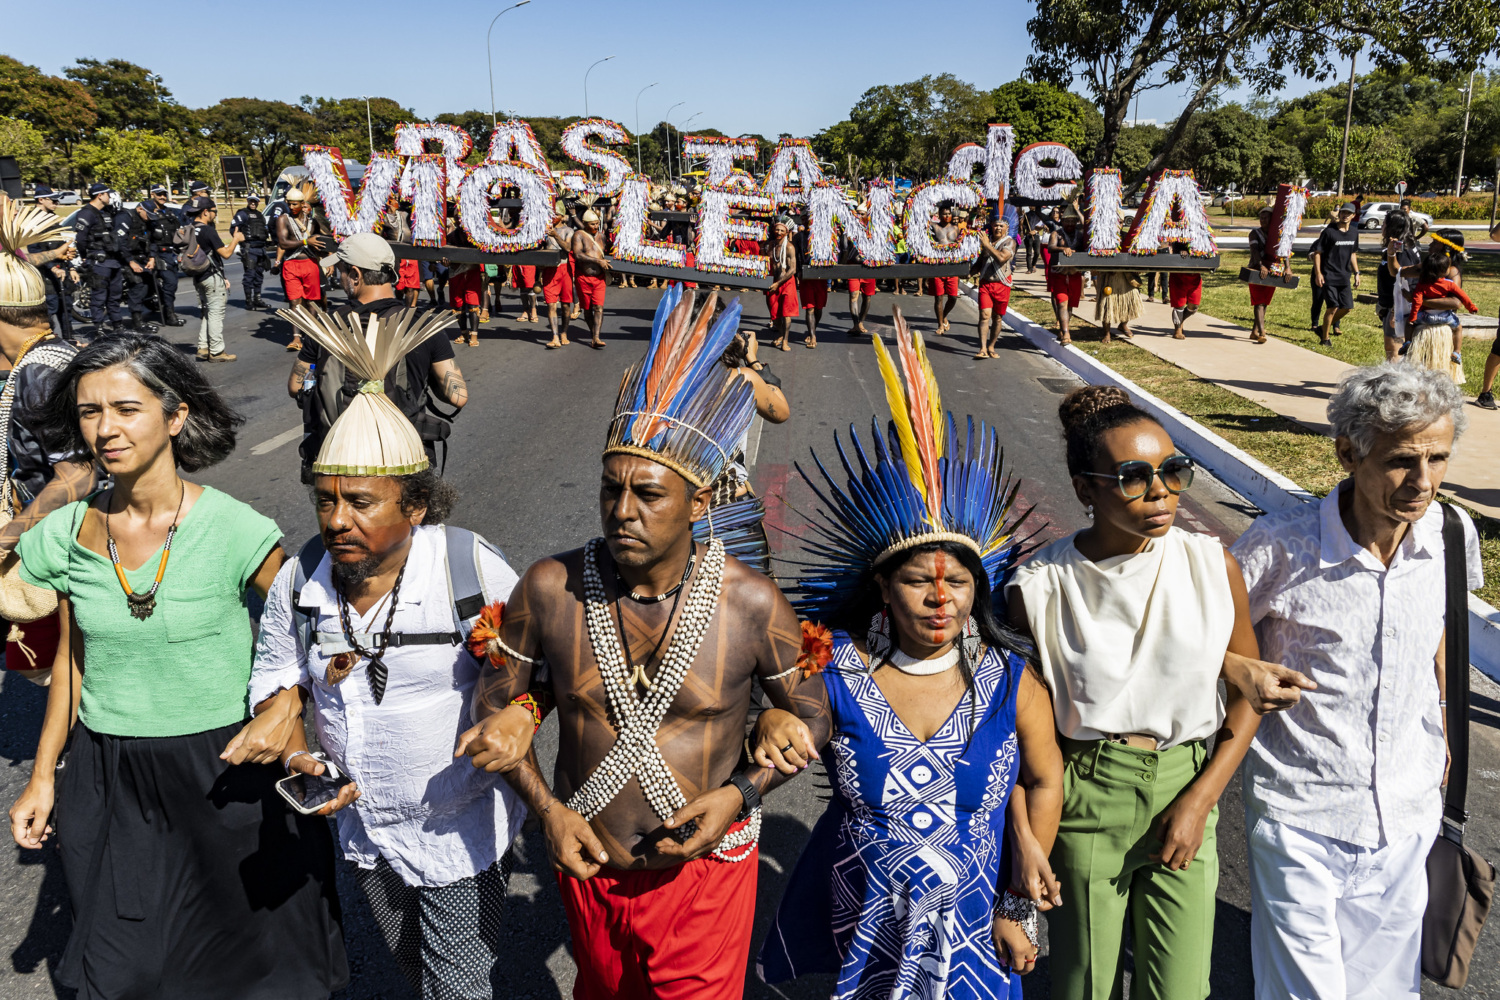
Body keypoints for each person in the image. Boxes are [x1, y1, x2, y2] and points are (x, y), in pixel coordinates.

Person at [463, 286, 831, 1000]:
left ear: (698, 504)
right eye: (611, 490)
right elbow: (500, 706)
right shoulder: (549, 587)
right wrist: (546, 800)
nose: (622, 511)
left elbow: (815, 715)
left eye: (649, 495)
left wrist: (745, 786)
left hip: (705, 877)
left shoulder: (751, 603)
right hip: (587, 864)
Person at [6, 334, 348, 998]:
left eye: (126, 408)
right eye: (89, 411)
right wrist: (43, 776)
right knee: (123, 969)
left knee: (249, 968)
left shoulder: (236, 530)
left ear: (176, 415)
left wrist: (287, 706)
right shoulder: (65, 534)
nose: (105, 428)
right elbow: (74, 665)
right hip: (110, 777)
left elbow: (312, 637)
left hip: (223, 774)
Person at [752, 313, 1062, 998]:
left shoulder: (1008, 682)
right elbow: (753, 707)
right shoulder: (831, 666)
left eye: (956, 582)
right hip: (865, 928)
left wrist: (1019, 904)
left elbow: (1042, 780)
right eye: (920, 581)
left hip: (980, 933)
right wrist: (767, 722)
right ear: (884, 591)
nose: (940, 598)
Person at [247, 303, 527, 999]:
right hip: (363, 833)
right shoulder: (300, 577)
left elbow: (540, 663)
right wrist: (294, 753)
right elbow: (275, 673)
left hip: (460, 829)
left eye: (362, 503)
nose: (338, 520)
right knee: (409, 966)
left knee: (456, 985)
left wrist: (520, 711)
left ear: (417, 505)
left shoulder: (469, 567)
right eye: (326, 500)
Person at [1008, 385, 1272, 1000]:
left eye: (1174, 472)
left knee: (1181, 989)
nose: (1161, 493)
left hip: (1187, 782)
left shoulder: (1212, 564)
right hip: (1085, 796)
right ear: (1085, 488)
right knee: (1085, 985)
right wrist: (1023, 835)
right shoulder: (1040, 587)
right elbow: (1017, 726)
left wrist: (1201, 801)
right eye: (1134, 477)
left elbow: (1248, 695)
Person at [1231, 363, 1478, 999]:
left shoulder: (1451, 534)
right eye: (1401, 461)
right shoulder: (1281, 546)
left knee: (1384, 990)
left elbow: (1442, 625)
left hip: (1407, 805)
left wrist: (1446, 721)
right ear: (1348, 452)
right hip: (1299, 810)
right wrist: (1237, 666)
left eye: (1438, 459)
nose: (1422, 483)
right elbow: (1204, 633)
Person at [0, 197, 97, 684]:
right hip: (60, 530)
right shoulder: (48, 352)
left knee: (64, 662)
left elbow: (79, 474)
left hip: (71, 537)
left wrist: (11, 535)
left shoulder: (40, 370)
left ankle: (79, 751)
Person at [289, 233, 467, 483]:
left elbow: (296, 386)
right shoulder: (422, 326)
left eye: (340, 270)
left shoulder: (327, 326)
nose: (339, 278)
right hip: (405, 461)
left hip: (341, 463)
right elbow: (457, 396)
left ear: (355, 275)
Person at [184, 197, 243, 363]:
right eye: (214, 212)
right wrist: (236, 239)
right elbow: (225, 253)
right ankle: (217, 351)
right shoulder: (208, 230)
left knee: (207, 313)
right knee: (216, 313)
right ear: (205, 212)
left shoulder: (189, 228)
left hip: (198, 276)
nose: (215, 215)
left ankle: (203, 348)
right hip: (211, 275)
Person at [1405, 250, 1479, 383]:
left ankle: (1407, 342)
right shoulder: (1449, 283)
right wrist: (1471, 307)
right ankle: (1457, 351)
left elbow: (1416, 301)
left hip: (1425, 317)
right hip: (1445, 317)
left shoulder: (1422, 283)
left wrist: (1413, 317)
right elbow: (1462, 297)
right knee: (1458, 328)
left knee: (1409, 323)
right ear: (1444, 270)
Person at [276, 186, 335, 351]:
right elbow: (283, 242)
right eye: (290, 204)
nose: (292, 207)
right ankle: (296, 337)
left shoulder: (312, 222)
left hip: (310, 263)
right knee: (294, 301)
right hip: (291, 264)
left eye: (295, 204)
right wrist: (305, 242)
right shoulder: (283, 219)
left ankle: (311, 334)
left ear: (302, 204)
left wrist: (329, 260)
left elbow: (322, 242)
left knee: (312, 300)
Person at [24, 186, 78, 344]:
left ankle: (69, 341)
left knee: (65, 309)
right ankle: (48, 344)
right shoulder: (32, 221)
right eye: (52, 199)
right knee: (49, 312)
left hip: (62, 271)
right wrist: (52, 268)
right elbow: (34, 252)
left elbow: (63, 246)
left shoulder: (53, 219)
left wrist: (71, 267)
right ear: (41, 200)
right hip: (45, 274)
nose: (56, 202)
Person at [72, 184, 123, 340]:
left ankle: (117, 326)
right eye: (107, 194)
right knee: (99, 297)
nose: (109, 197)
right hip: (99, 262)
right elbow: (80, 239)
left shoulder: (104, 213)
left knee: (115, 296)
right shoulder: (86, 213)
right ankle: (99, 328)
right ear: (100, 195)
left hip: (113, 261)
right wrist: (85, 256)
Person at [1309, 202, 1360, 346]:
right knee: (1332, 307)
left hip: (1344, 276)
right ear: (1339, 213)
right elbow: (1317, 253)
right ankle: (1325, 339)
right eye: (1343, 212)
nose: (1345, 215)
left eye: (1348, 213)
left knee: (1347, 307)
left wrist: (1357, 272)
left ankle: (1321, 328)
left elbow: (1353, 254)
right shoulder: (1329, 232)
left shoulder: (1354, 233)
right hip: (1329, 275)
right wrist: (1318, 273)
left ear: (1353, 216)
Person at [111, 197, 161, 335]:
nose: (149, 219)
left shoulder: (148, 220)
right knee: (137, 285)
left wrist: (152, 257)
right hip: (126, 258)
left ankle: (139, 315)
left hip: (143, 258)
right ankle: (137, 322)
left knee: (145, 286)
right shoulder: (126, 217)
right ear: (140, 209)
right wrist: (130, 261)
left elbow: (153, 239)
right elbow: (120, 241)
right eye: (148, 215)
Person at [975, 215, 1016, 358]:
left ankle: (991, 346)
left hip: (1002, 283)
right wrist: (968, 272)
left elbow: (1001, 258)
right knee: (984, 315)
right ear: (991, 226)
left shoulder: (1010, 242)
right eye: (995, 225)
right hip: (986, 283)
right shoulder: (987, 240)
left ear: (1007, 228)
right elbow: (981, 260)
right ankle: (982, 348)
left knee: (997, 318)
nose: (998, 228)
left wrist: (987, 245)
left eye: (1001, 226)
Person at [145, 185, 186, 328]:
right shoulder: (149, 212)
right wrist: (151, 255)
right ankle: (169, 314)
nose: (162, 196)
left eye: (164, 194)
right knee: (170, 283)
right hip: (157, 253)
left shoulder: (169, 212)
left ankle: (166, 307)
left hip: (171, 252)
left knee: (172, 284)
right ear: (152, 195)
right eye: (159, 194)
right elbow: (148, 236)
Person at [570, 210, 610, 349]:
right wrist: (598, 261)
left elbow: (608, 252)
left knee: (598, 307)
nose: (595, 226)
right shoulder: (579, 235)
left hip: (599, 279)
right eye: (593, 224)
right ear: (586, 224)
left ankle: (596, 337)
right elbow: (578, 255)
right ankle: (593, 334)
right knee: (587, 309)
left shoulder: (602, 236)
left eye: (597, 223)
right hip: (583, 278)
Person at [1049, 208, 1088, 345]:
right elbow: (1051, 247)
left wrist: (1078, 209)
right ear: (1062, 221)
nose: (1070, 224)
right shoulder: (1056, 234)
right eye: (1067, 221)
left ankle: (1063, 328)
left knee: (1070, 305)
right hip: (1060, 274)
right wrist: (1063, 249)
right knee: (1062, 303)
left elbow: (1086, 224)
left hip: (1075, 275)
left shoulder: (1080, 234)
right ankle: (1066, 333)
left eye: (1073, 221)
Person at [231, 193, 272, 310]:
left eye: (255, 201)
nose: (253, 203)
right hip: (250, 250)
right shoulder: (242, 214)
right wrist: (239, 239)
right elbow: (233, 229)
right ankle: (248, 301)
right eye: (251, 201)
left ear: (258, 202)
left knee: (259, 275)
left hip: (261, 249)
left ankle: (257, 299)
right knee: (250, 276)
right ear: (247, 201)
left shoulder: (260, 215)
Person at [765, 216, 800, 351]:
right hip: (773, 282)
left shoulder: (790, 247)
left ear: (786, 232)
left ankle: (785, 341)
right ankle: (780, 334)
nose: (778, 232)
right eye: (777, 230)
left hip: (786, 282)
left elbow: (792, 269)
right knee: (774, 313)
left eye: (781, 230)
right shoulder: (771, 245)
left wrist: (779, 283)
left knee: (786, 314)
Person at [542, 211, 575, 349]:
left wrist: (555, 236)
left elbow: (568, 248)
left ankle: (564, 333)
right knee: (551, 304)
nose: (552, 216)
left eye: (555, 214)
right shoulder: (544, 229)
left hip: (564, 269)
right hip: (549, 270)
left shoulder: (568, 231)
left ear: (562, 216)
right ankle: (555, 336)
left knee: (566, 305)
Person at [1246, 205, 1277, 345]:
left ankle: (1254, 331)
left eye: (1266, 218)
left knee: (1264, 302)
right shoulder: (1254, 233)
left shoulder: (1276, 235)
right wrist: (1260, 265)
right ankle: (1262, 332)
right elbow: (1255, 250)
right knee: (1258, 302)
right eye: (1261, 218)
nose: (1262, 220)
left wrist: (1287, 267)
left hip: (1272, 271)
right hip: (1256, 270)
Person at [928, 205, 961, 334]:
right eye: (944, 214)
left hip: (951, 266)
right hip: (937, 265)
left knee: (953, 297)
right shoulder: (933, 226)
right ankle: (940, 325)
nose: (947, 216)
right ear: (939, 214)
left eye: (949, 214)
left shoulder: (956, 228)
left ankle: (944, 316)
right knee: (938, 298)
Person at [1167, 252, 1203, 340]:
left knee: (1194, 306)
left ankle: (1180, 320)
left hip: (1195, 276)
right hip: (1179, 274)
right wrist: (1179, 250)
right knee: (1179, 305)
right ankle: (1177, 331)